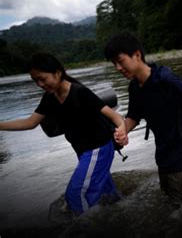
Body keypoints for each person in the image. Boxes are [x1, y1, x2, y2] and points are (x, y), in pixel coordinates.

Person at [104, 32, 182, 203]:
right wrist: (122, 130)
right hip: (164, 155)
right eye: (114, 63)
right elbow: (133, 116)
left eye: (120, 61)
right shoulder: (135, 87)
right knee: (173, 203)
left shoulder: (166, 79)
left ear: (137, 55)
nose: (118, 67)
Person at [0, 53, 126, 215]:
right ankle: (120, 216)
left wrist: (122, 130)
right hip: (83, 151)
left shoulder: (80, 93)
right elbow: (30, 123)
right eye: (35, 81)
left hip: (98, 148)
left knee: (76, 194)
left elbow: (114, 116)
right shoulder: (50, 98)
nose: (40, 84)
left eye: (42, 79)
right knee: (107, 195)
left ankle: (87, 229)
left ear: (58, 73)